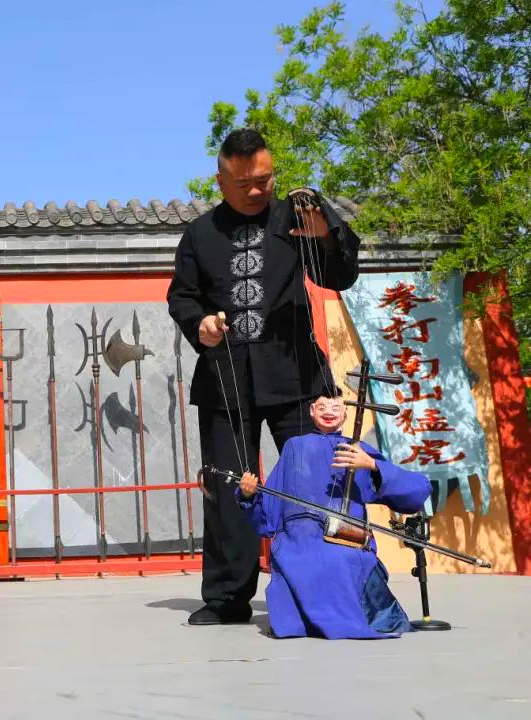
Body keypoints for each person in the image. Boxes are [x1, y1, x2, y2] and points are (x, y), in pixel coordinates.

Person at [166, 128, 360, 625]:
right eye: (245, 183)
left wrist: (327, 234)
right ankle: (227, 598)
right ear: (221, 181)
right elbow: (182, 296)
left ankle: (323, 590)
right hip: (226, 377)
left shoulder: (297, 216)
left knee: (315, 478)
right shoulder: (200, 234)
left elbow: (339, 274)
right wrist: (200, 324)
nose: (258, 190)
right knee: (230, 486)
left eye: (265, 179)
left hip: (296, 373)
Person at [235, 392, 431, 638]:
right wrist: (248, 495)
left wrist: (372, 465)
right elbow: (268, 513)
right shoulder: (294, 447)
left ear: (346, 413)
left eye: (335, 407)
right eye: (321, 406)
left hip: (345, 540)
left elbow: (418, 489)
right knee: (297, 559)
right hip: (299, 541)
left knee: (341, 559)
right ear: (311, 411)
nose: (328, 411)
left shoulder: (357, 450)